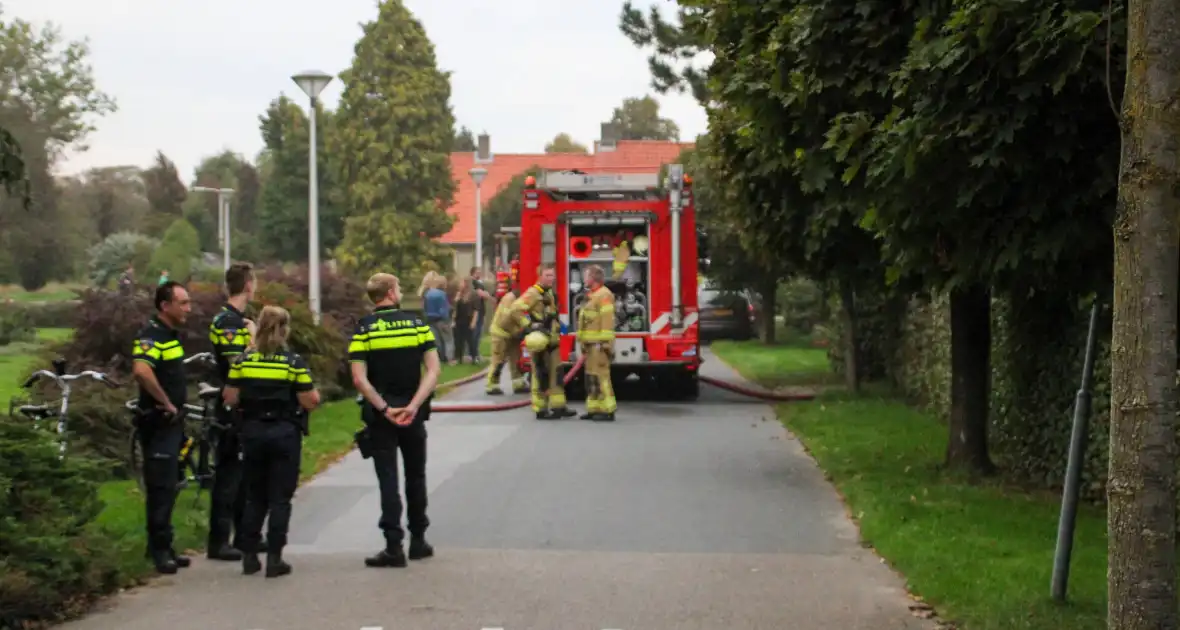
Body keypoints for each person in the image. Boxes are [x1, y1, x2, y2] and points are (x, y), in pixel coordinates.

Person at [350, 273, 442, 568]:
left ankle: (393, 545)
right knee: (416, 475)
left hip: (381, 418)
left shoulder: (364, 329)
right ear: (390, 292)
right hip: (413, 415)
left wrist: (385, 407)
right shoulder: (417, 325)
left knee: (388, 478)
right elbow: (433, 370)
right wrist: (413, 405)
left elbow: (358, 378)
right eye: (398, 288)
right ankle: (418, 540)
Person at [222, 305, 320, 578]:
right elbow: (309, 400)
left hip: (252, 433)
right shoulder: (292, 362)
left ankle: (250, 555)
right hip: (284, 433)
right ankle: (275, 558)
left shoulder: (243, 361)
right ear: (285, 330)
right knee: (280, 498)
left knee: (255, 496)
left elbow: (230, 397)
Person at [130, 281, 193, 574]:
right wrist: (166, 403)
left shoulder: (170, 336)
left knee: (170, 486)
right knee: (159, 487)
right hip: (158, 422)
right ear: (164, 306)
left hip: (173, 423)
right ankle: (157, 552)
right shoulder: (152, 335)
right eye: (182, 303)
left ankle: (166, 544)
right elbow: (142, 371)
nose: (188, 308)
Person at [205, 262, 259, 561]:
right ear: (248, 284)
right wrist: (252, 338)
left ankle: (243, 535)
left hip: (244, 406)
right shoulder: (228, 322)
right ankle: (218, 540)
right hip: (230, 406)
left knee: (243, 475)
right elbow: (236, 363)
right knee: (227, 475)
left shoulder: (238, 320)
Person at [515, 265, 576, 420]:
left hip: (553, 340)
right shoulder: (533, 293)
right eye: (548, 275)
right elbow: (515, 309)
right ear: (540, 276)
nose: (552, 278)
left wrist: (563, 329)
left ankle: (558, 406)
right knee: (540, 374)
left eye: (553, 275)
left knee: (556, 374)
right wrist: (529, 325)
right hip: (541, 341)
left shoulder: (548, 293)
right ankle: (541, 409)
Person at [577, 265, 617, 421]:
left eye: (586, 276)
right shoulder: (592, 295)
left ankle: (608, 410)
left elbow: (607, 322)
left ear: (593, 278)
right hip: (590, 345)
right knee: (591, 377)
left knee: (602, 377)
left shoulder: (604, 295)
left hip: (599, 346)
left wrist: (605, 344)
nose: (584, 279)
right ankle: (594, 409)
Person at [485, 284, 529, 395]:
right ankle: (492, 385)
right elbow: (505, 321)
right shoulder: (510, 300)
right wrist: (521, 329)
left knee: (516, 359)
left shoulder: (515, 299)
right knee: (499, 360)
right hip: (501, 334)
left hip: (512, 335)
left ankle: (518, 383)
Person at [422, 275, 453, 365]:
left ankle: (439, 357)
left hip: (430, 319)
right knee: (448, 340)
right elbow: (444, 308)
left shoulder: (428, 294)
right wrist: (447, 320)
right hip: (442, 320)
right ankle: (449, 359)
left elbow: (425, 307)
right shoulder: (442, 294)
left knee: (437, 340)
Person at [452, 278, 480, 363]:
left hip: (468, 319)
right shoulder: (458, 294)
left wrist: (473, 322)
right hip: (459, 319)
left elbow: (476, 310)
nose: (459, 285)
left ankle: (474, 357)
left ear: (466, 284)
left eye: (461, 283)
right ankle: (458, 358)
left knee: (470, 340)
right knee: (458, 340)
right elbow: (454, 309)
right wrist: (453, 320)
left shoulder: (474, 295)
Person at [469, 266, 491, 360]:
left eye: (480, 272)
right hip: (476, 311)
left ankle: (476, 353)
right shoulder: (473, 283)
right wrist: (484, 294)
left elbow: (486, 295)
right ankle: (474, 354)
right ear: (473, 272)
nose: (479, 273)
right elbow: (481, 294)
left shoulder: (479, 283)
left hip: (481, 311)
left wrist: (485, 294)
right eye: (477, 272)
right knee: (475, 334)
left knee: (478, 334)